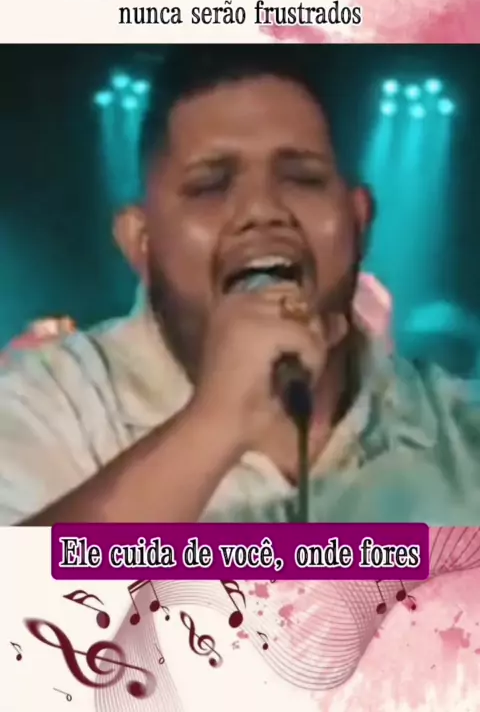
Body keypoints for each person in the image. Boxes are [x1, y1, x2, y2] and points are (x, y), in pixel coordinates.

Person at [1, 45, 479, 526]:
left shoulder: (461, 431)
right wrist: (214, 424)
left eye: (302, 178)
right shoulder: (44, 405)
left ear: (358, 219)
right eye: (210, 185)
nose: (261, 209)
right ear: (141, 241)